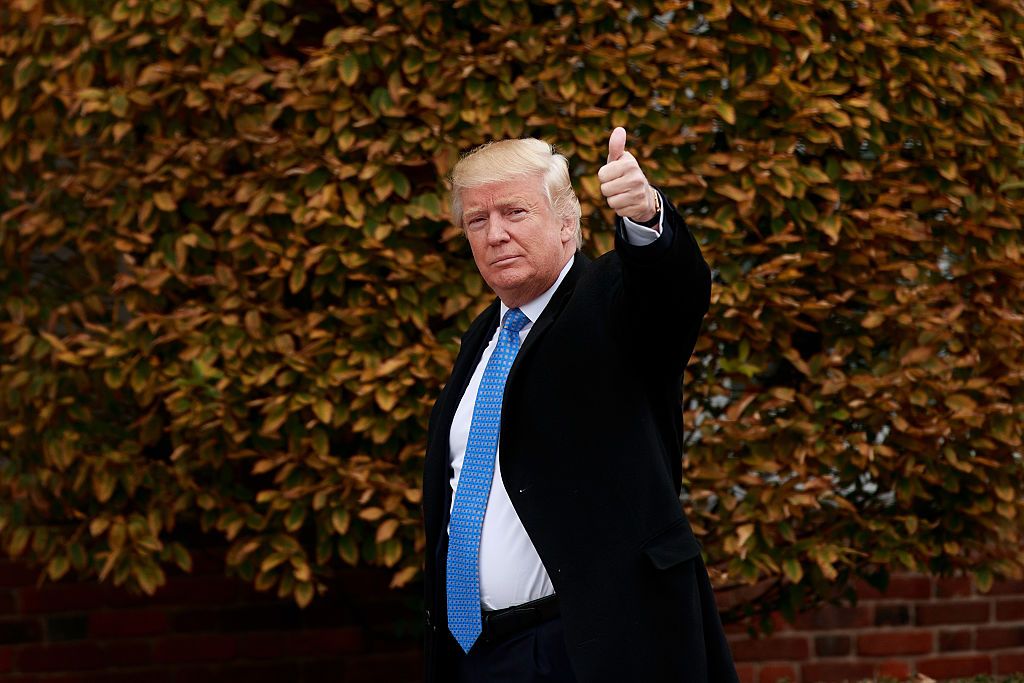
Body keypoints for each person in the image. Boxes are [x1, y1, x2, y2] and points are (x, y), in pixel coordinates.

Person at [421, 128, 739, 683]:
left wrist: (645, 216)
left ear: (567, 221)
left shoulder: (609, 301)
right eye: (478, 220)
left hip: (594, 647)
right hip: (482, 652)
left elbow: (671, 293)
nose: (495, 234)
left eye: (515, 212)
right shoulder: (483, 339)